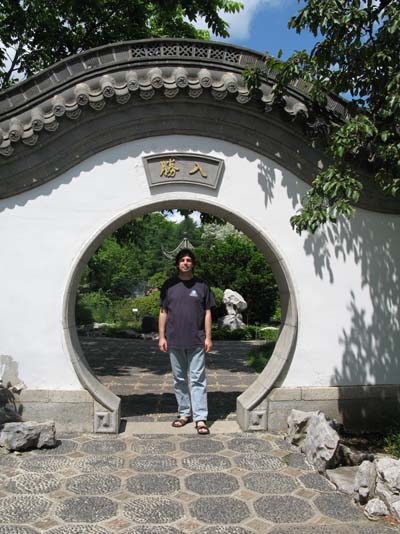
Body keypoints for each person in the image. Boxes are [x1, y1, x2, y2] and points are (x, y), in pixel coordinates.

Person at [158, 248, 215, 435]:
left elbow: (207, 312)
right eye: (182, 260)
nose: (185, 262)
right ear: (177, 263)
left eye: (189, 260)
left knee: (198, 379)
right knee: (179, 379)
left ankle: (200, 418)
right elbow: (163, 312)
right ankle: (184, 413)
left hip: (197, 340)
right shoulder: (169, 285)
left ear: (193, 263)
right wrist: (161, 336)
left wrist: (208, 337)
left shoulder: (202, 286)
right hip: (174, 340)